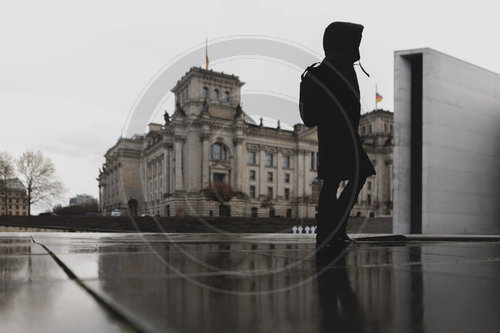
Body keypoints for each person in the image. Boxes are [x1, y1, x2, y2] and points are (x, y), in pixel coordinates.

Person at [305, 22, 376, 248]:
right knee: (359, 174)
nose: (358, 46)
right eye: (355, 41)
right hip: (341, 132)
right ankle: (334, 227)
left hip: (332, 132)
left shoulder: (330, 61)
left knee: (333, 180)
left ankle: (328, 232)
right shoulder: (340, 61)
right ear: (345, 41)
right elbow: (344, 100)